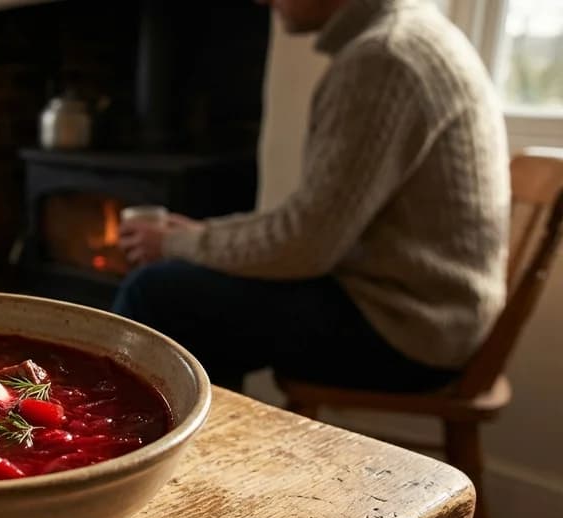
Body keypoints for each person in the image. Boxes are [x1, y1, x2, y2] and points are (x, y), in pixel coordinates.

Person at [114, 0, 509, 392]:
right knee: (190, 300)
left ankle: (125, 449)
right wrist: (199, 236)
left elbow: (305, 246)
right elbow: (309, 224)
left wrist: (176, 243)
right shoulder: (406, 36)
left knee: (155, 293)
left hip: (408, 330)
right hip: (424, 313)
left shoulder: (383, 58)